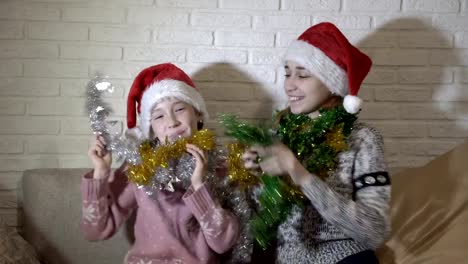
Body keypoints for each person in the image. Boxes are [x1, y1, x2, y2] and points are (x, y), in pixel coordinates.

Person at [243, 22, 391, 263]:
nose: (290, 84)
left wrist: (300, 174)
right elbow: (262, 225)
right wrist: (252, 178)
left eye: (302, 74)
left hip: (345, 257)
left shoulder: (362, 138)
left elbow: (375, 231)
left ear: (332, 82)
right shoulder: (275, 135)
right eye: (287, 73)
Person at [81, 63, 242, 264]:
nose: (172, 122)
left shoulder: (220, 166)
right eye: (159, 115)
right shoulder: (140, 168)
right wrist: (101, 172)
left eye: (180, 109)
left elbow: (223, 243)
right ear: (151, 129)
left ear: (198, 114)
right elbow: (95, 231)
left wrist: (199, 186)